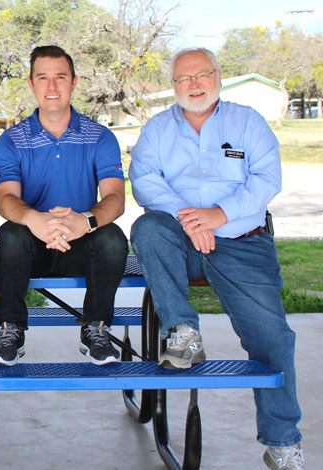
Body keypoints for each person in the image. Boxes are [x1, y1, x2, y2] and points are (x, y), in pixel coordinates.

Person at [129, 47, 305, 470]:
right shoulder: (157, 130)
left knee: (273, 338)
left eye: (201, 75)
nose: (193, 84)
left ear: (218, 77)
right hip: (181, 241)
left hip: (243, 240)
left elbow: (267, 178)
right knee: (147, 228)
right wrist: (192, 221)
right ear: (172, 86)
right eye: (183, 78)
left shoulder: (247, 122)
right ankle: (183, 332)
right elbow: (145, 182)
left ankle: (282, 443)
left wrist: (218, 216)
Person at [0, 45, 128, 366]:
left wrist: (85, 222)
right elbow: (6, 198)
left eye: (60, 77)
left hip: (82, 247)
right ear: (31, 84)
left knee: (112, 237)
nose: (52, 87)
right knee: (10, 234)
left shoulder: (100, 137)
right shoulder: (12, 139)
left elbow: (115, 198)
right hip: (32, 249)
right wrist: (36, 220)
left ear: (74, 82)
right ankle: (11, 329)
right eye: (43, 78)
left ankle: (96, 328)